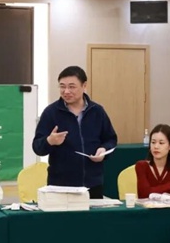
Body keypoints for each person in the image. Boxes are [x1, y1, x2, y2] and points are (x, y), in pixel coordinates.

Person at [32, 65, 118, 199]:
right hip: (60, 186)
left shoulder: (97, 111)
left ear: (84, 86)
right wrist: (50, 141)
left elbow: (111, 139)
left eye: (72, 87)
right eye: (62, 86)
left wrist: (103, 150)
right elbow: (37, 147)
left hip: (93, 184)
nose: (66, 91)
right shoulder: (51, 113)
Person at [135, 124, 170, 199]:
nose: (156, 146)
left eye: (161, 143)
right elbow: (144, 194)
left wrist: (154, 193)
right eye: (153, 142)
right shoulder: (141, 166)